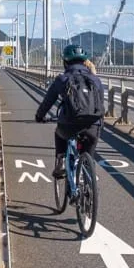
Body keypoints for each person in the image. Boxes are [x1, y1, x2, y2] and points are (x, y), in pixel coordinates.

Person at [34, 44, 106, 178]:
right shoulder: (96, 80)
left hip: (68, 125)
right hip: (93, 126)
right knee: (89, 154)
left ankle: (61, 160)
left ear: (65, 62)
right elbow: (100, 104)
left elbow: (48, 102)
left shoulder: (62, 79)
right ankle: (90, 181)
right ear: (85, 62)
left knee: (58, 133)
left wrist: (39, 116)